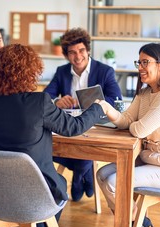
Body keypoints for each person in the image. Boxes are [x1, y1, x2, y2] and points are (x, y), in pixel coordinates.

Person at [0, 44, 105, 227]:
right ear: (29, 71)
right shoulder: (39, 102)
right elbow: (73, 127)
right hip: (36, 190)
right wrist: (97, 108)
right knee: (60, 183)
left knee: (58, 181)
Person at [96, 43, 160, 227]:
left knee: (113, 182)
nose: (139, 67)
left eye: (145, 62)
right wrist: (106, 108)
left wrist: (134, 124)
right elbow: (126, 121)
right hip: (150, 159)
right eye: (139, 62)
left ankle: (133, 223)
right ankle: (136, 221)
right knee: (102, 174)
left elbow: (139, 129)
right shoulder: (145, 93)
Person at [43, 27, 122, 202]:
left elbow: (116, 99)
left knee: (84, 148)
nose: (77, 57)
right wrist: (57, 101)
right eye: (72, 53)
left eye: (81, 51)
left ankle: (78, 179)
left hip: (96, 125)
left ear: (88, 50)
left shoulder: (105, 71)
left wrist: (92, 103)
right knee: (64, 147)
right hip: (69, 125)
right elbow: (46, 95)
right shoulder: (62, 72)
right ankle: (84, 174)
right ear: (66, 55)